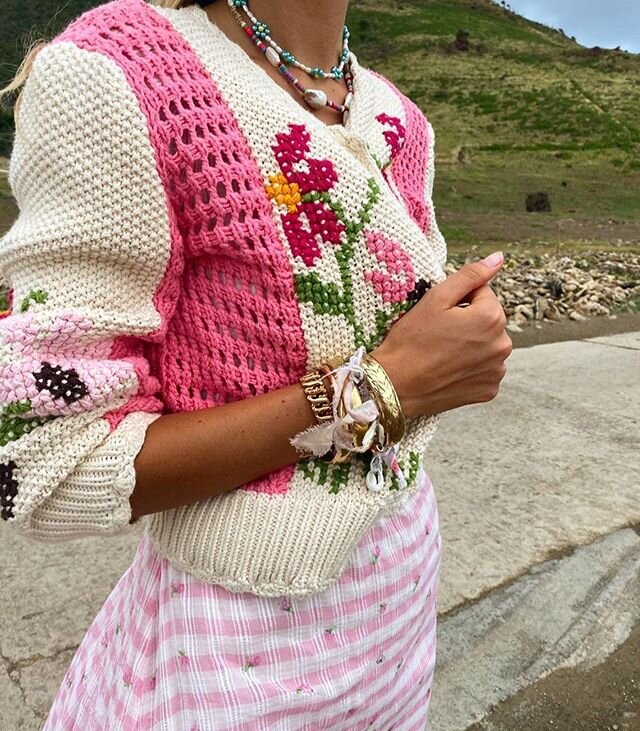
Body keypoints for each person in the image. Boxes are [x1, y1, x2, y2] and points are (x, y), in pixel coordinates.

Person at [0, 0, 512, 727]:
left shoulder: (399, 117)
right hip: (241, 646)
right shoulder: (127, 72)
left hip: (402, 597)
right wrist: (378, 393)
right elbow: (48, 458)